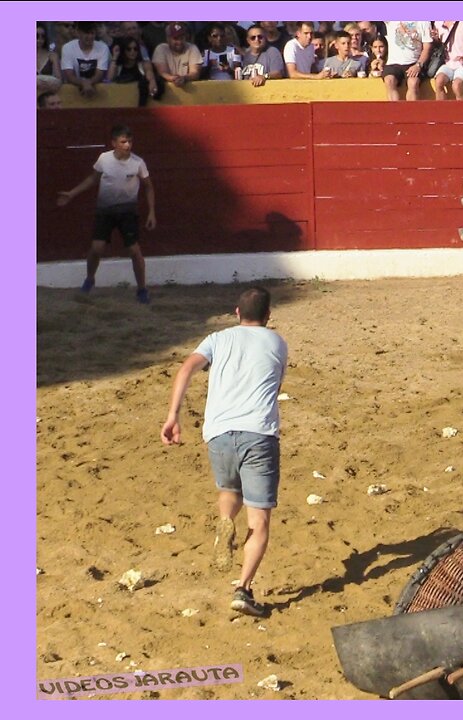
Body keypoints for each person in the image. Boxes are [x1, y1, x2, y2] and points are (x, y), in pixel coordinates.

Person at [161, 287, 289, 619]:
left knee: (229, 489)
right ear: (268, 316)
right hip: (258, 435)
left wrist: (173, 415)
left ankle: (224, 521)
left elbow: (186, 368)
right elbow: (274, 388)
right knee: (259, 520)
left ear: (236, 312)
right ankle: (243, 590)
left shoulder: (217, 339)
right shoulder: (277, 343)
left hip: (218, 433)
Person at [55, 124, 156, 304]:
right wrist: (72, 193)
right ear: (114, 143)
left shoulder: (137, 162)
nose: (128, 145)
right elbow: (93, 179)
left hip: (127, 212)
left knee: (134, 250)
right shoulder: (104, 158)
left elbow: (148, 187)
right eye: (123, 142)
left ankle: (142, 289)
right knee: (96, 248)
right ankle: (90, 278)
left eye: (130, 141)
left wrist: (151, 212)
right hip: (105, 211)